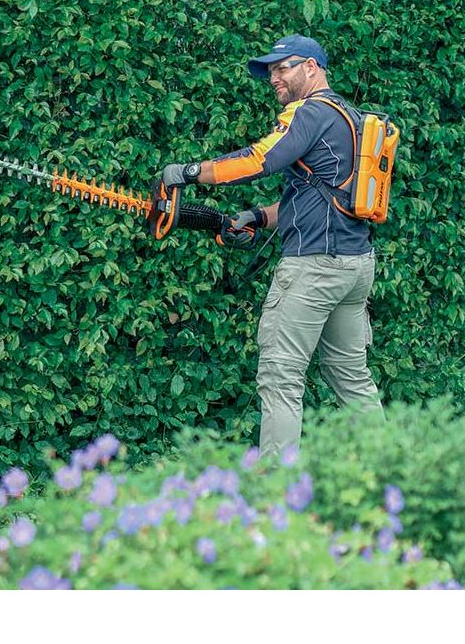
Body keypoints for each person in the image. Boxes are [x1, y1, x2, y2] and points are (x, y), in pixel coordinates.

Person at [160, 34, 384, 459]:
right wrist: (259, 217)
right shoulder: (350, 118)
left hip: (314, 268)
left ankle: (274, 493)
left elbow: (258, 159)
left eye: (283, 68)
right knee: (351, 377)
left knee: (280, 378)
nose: (274, 77)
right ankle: (394, 477)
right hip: (354, 267)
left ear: (312, 68)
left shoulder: (309, 112)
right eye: (271, 71)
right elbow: (321, 195)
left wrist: (187, 172)